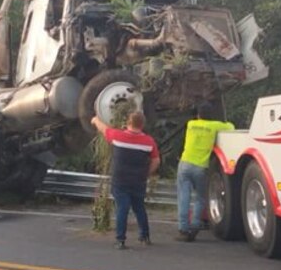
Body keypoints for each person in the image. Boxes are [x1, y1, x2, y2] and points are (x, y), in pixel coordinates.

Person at [91, 112, 160, 250]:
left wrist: (95, 120)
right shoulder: (149, 141)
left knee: (122, 207)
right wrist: (146, 173)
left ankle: (120, 239)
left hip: (120, 180)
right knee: (139, 207)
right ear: (142, 124)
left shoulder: (118, 136)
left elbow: (104, 129)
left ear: (128, 122)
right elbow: (156, 160)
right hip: (138, 180)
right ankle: (145, 236)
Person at [176, 102, 234, 241]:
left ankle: (183, 228)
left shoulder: (191, 124)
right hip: (201, 167)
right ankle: (195, 225)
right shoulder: (214, 126)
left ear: (198, 115)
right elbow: (231, 127)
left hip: (185, 164)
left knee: (184, 196)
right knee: (200, 198)